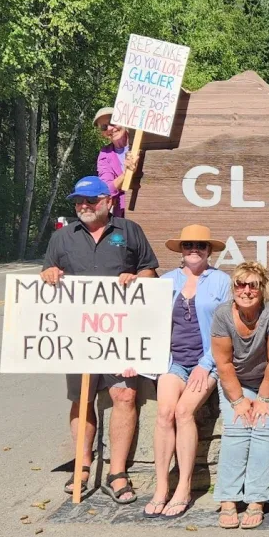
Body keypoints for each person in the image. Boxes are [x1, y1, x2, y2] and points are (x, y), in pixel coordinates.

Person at [40, 175, 159, 503]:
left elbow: (150, 270)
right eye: (79, 201)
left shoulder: (129, 231)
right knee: (82, 398)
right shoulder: (62, 237)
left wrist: (137, 277)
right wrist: (49, 274)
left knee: (125, 395)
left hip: (121, 332)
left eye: (91, 200)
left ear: (108, 201)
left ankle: (117, 472)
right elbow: (48, 273)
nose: (84, 206)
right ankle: (82, 465)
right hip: (78, 333)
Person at [143, 226, 231, 520]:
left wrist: (206, 364)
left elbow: (224, 328)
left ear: (210, 250)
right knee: (164, 413)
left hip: (207, 361)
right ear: (180, 250)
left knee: (183, 412)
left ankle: (184, 487)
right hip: (173, 360)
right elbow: (145, 320)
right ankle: (161, 488)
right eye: (188, 245)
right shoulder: (166, 281)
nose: (194, 249)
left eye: (200, 245)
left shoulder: (221, 281)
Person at [210, 261, 269, 530]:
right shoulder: (223, 314)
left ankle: (257, 500)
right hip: (238, 380)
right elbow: (223, 363)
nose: (246, 291)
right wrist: (239, 401)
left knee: (264, 427)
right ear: (233, 288)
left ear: (262, 289)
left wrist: (263, 400)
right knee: (236, 427)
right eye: (240, 284)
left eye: (253, 285)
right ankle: (228, 499)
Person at [93, 107, 140, 218]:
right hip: (124, 213)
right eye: (104, 127)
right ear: (102, 133)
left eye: (113, 122)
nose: (110, 128)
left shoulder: (140, 142)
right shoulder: (105, 154)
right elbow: (107, 189)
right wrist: (126, 174)